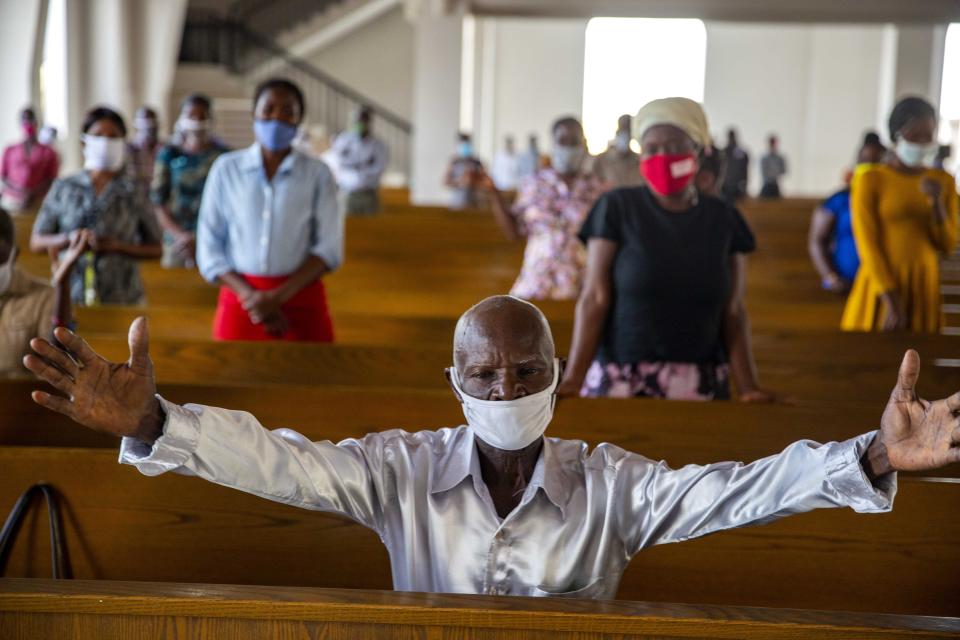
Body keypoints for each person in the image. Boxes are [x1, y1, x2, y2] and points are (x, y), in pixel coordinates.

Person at [22, 295, 960, 598]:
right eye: (485, 375)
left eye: (526, 372)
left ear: (557, 376)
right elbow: (281, 460)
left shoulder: (613, 486)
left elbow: (740, 488)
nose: (506, 390)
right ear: (455, 383)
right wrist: (153, 422)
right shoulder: (398, 471)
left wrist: (873, 457)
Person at [557, 98, 771, 402]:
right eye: (651, 149)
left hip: (702, 381)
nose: (662, 157)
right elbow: (594, 297)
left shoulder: (723, 218)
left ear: (698, 150)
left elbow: (733, 311)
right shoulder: (616, 208)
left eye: (674, 148)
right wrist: (573, 380)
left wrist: (749, 387)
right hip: (621, 377)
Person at [197, 78, 343, 342]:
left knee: (313, 378)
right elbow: (209, 247)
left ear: (299, 120)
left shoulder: (317, 173)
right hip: (241, 301)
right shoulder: (226, 169)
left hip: (301, 298)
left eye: (287, 112)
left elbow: (329, 248)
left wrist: (277, 297)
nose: (276, 118)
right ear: (254, 113)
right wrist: (253, 298)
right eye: (268, 109)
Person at [841, 96, 959, 333]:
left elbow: (947, 245)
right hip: (880, 282)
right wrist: (889, 295)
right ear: (897, 136)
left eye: (930, 135)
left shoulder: (942, 182)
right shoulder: (871, 180)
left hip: (923, 282)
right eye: (916, 136)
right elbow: (867, 243)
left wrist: (936, 204)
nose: (924, 143)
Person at [30, 106, 162, 306]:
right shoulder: (65, 187)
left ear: (122, 142)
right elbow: (37, 241)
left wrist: (119, 247)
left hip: (123, 295)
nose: (105, 142)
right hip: (70, 295)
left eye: (112, 136)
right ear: (85, 141)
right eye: (98, 135)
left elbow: (156, 249)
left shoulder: (133, 190)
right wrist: (69, 239)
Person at [483, 116, 605, 301]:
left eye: (574, 142)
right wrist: (493, 193)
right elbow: (513, 232)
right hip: (536, 283)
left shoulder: (596, 188)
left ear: (583, 145)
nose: (569, 148)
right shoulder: (533, 183)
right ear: (553, 143)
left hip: (580, 287)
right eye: (563, 141)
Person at [0, 208, 86, 376]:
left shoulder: (45, 297)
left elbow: (58, 364)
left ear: (14, 254)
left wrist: (62, 287)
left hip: (17, 400)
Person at [151, 94, 228, 269]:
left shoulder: (224, 157)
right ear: (181, 118)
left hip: (215, 242)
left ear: (211, 119)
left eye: (202, 116)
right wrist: (182, 236)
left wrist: (202, 237)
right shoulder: (169, 154)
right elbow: (158, 202)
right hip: (177, 243)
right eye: (191, 116)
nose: (197, 121)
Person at [808, 133, 886, 294]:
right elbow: (817, 240)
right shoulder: (840, 200)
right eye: (866, 162)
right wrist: (831, 277)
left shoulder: (892, 202)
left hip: (883, 283)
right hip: (845, 284)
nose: (871, 168)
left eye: (876, 162)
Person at [328, 106, 387, 215]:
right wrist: (364, 164)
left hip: (369, 194)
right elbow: (337, 162)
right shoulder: (343, 140)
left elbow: (378, 168)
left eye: (364, 119)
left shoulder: (378, 144)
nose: (361, 122)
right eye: (358, 120)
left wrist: (354, 166)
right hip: (347, 193)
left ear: (369, 121)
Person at [0, 107, 59, 212]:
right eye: (24, 120)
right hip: (12, 202)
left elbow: (52, 179)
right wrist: (20, 192)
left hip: (38, 202)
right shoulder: (10, 150)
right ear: (20, 124)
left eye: (30, 120)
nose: (28, 123)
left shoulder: (49, 152)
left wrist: (32, 194)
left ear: (36, 122)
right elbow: (3, 177)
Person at [592, 114, 643, 189]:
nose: (626, 134)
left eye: (628, 130)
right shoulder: (601, 159)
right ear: (617, 132)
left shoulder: (639, 161)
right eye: (623, 130)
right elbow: (594, 183)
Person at [127, 106, 161, 199]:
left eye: (151, 121)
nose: (148, 127)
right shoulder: (129, 150)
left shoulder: (165, 149)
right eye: (144, 122)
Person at [444, 133, 485, 210]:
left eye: (467, 143)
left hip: (474, 204)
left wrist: (473, 181)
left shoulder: (477, 162)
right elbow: (446, 182)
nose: (465, 146)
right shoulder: (454, 162)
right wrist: (460, 181)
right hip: (457, 204)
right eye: (462, 143)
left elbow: (485, 181)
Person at [721, 128, 749, 202]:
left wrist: (744, 186)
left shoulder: (742, 153)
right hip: (725, 186)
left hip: (737, 187)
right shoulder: (722, 152)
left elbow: (745, 170)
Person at [759, 134, 787, 198]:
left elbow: (783, 171)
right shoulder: (764, 158)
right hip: (766, 185)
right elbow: (764, 172)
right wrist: (775, 172)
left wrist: (773, 172)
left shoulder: (780, 158)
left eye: (773, 143)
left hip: (775, 185)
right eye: (771, 143)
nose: (772, 145)